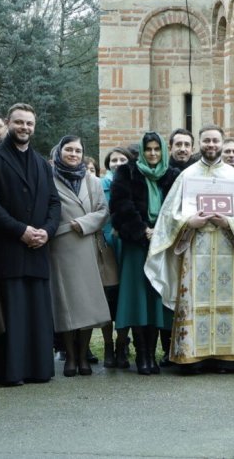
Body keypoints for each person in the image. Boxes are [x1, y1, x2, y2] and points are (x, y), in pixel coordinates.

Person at [146, 125, 234, 372]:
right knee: (195, 298)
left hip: (229, 248)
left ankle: (228, 356)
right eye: (207, 141)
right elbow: (169, 215)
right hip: (195, 249)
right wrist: (188, 222)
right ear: (200, 145)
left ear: (223, 143)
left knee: (228, 298)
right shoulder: (187, 176)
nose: (211, 145)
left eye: (215, 140)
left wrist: (230, 222)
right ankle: (193, 355)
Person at [0, 103, 60, 386]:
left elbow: (53, 202)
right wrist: (20, 230)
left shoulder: (40, 163)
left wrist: (46, 231)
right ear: (8, 124)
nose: (24, 128)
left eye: (29, 124)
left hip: (38, 249)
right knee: (12, 313)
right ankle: (11, 372)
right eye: (19, 123)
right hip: (9, 248)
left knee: (36, 312)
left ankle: (38, 369)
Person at [109, 132, 178, 375]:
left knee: (156, 299)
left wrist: (159, 233)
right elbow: (120, 206)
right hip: (136, 245)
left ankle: (154, 353)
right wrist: (141, 231)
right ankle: (142, 355)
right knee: (138, 300)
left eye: (157, 149)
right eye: (148, 149)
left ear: (163, 151)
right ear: (142, 150)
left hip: (162, 247)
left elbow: (177, 208)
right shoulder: (126, 172)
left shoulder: (172, 175)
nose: (152, 154)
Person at [48, 136, 111, 377]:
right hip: (60, 246)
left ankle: (84, 356)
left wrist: (82, 223)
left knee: (87, 304)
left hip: (86, 243)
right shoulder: (49, 178)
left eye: (78, 150)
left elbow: (103, 211)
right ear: (59, 152)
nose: (74, 154)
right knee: (66, 305)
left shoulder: (93, 180)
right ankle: (70, 357)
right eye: (69, 149)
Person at [100, 147, 133, 368]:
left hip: (127, 245)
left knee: (125, 298)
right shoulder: (99, 185)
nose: (118, 162)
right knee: (106, 298)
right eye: (114, 159)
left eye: (123, 159)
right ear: (107, 163)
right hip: (105, 245)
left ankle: (122, 344)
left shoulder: (132, 183)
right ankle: (107, 345)